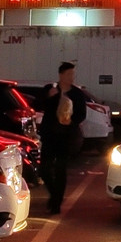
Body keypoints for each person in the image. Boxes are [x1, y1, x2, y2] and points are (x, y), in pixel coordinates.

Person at [35, 60, 86, 216]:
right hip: (50, 135)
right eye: (69, 74)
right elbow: (37, 105)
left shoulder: (77, 94)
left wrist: (72, 121)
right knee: (44, 169)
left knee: (60, 169)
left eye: (73, 74)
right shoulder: (51, 89)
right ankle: (54, 195)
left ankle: (56, 203)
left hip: (66, 136)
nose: (71, 77)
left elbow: (81, 114)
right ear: (61, 75)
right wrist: (48, 97)